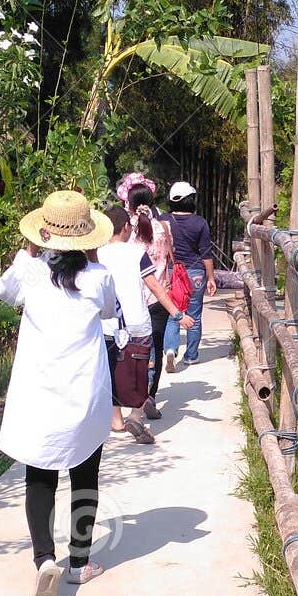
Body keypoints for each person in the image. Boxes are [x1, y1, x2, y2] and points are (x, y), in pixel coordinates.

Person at [0, 189, 116, 596]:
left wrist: (29, 251)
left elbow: (2, 291)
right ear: (87, 237)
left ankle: (45, 560)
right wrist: (92, 258)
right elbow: (108, 311)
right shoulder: (98, 278)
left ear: (44, 234)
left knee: (39, 479)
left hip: (40, 398)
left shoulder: (28, 271)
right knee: (85, 476)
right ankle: (79, 562)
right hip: (84, 396)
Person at [98, 204, 193, 443]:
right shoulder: (136, 252)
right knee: (140, 373)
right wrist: (178, 314)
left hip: (107, 324)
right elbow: (155, 287)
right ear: (125, 227)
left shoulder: (96, 254)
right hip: (137, 323)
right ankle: (136, 415)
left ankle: (116, 420)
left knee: (111, 372)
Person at [118, 173, 174, 419]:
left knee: (132, 351)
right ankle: (149, 397)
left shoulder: (125, 233)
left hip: (131, 299)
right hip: (159, 297)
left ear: (128, 203)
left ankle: (130, 402)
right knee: (156, 350)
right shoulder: (163, 227)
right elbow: (171, 257)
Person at [161, 181, 215, 370]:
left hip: (171, 271)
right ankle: (191, 355)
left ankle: (170, 349)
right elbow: (205, 253)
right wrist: (211, 277)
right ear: (190, 200)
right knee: (195, 315)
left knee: (173, 313)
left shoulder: (163, 220)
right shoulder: (199, 222)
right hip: (195, 273)